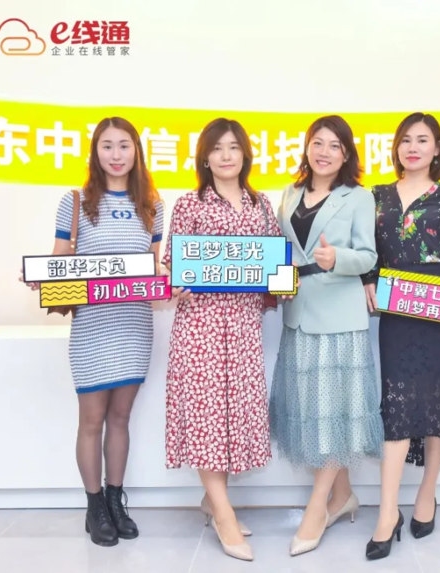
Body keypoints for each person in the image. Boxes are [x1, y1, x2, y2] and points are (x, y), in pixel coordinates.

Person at [22, 117, 164, 547]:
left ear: (136, 151)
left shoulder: (153, 205)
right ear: (95, 151)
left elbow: (153, 267)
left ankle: (117, 502)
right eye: (107, 146)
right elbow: (60, 258)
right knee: (92, 420)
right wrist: (41, 276)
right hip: (92, 327)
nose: (116, 155)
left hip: (134, 324)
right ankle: (95, 506)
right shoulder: (76, 201)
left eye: (124, 145)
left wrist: (169, 279)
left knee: (121, 418)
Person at [361, 112, 440, 560]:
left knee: (439, 404)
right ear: (396, 147)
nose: (413, 147)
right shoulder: (376, 195)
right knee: (397, 409)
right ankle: (386, 513)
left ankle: (426, 493)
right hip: (398, 311)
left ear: (437, 149)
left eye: (422, 140)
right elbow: (368, 253)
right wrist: (368, 279)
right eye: (406, 140)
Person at [161, 118, 281, 562]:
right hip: (202, 327)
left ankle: (214, 502)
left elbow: (275, 264)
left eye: (234, 147)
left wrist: (284, 280)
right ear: (205, 157)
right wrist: (176, 281)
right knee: (207, 416)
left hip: (244, 328)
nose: (226, 155)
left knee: (231, 415)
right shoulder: (189, 203)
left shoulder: (261, 205)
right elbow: (173, 265)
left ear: (245, 154)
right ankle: (225, 515)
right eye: (217, 148)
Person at [268, 115, 384, 557]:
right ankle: (343, 495)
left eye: (335, 145)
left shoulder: (359, 197)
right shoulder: (290, 193)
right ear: (307, 147)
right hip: (298, 313)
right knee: (314, 412)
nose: (324, 152)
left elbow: (368, 255)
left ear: (346, 154)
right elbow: (281, 253)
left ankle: (317, 508)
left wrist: (339, 258)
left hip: (340, 315)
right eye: (318, 142)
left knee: (335, 414)